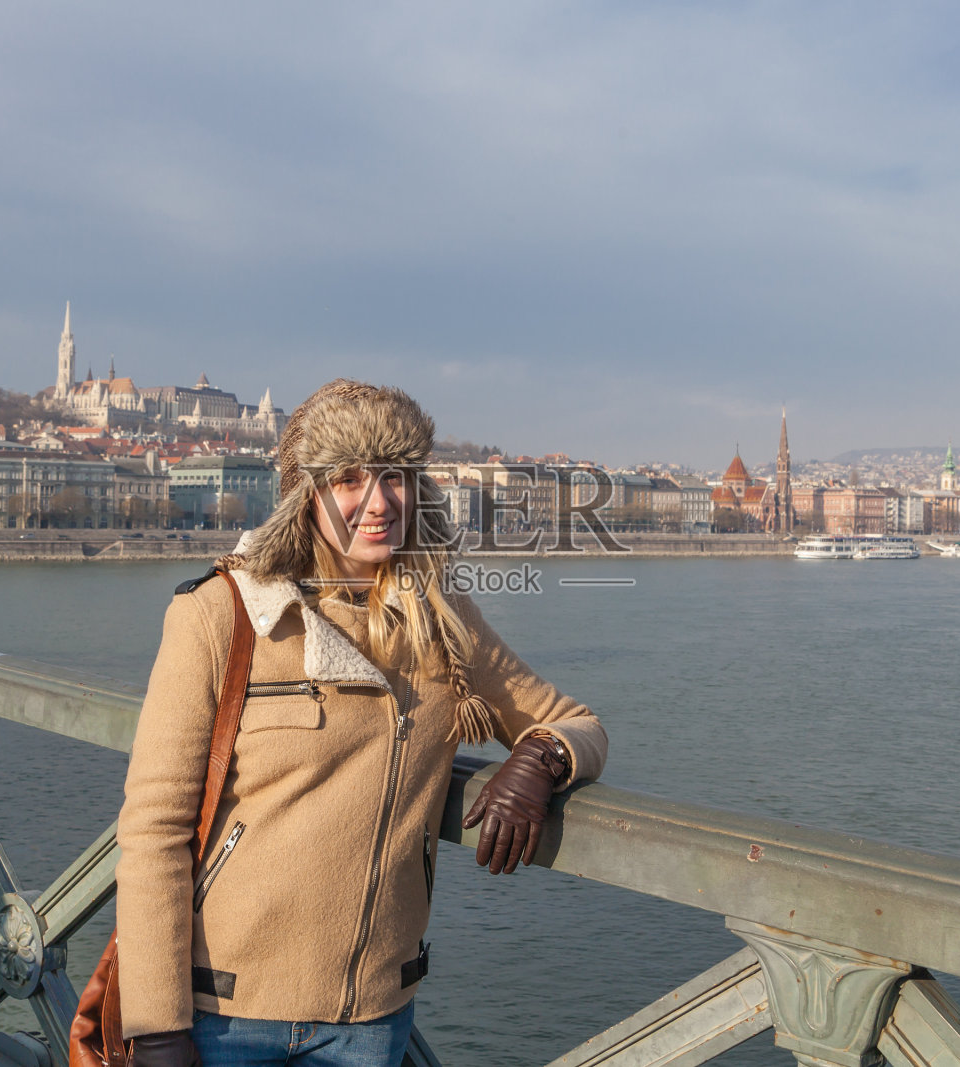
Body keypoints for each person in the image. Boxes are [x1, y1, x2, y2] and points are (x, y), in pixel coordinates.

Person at [115, 380, 608, 1067]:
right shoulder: (219, 614)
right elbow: (152, 830)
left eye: (396, 477)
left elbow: (574, 721)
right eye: (349, 479)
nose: (378, 502)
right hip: (220, 1013)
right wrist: (156, 1026)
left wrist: (541, 759)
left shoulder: (442, 620)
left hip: (370, 1021)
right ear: (305, 494)